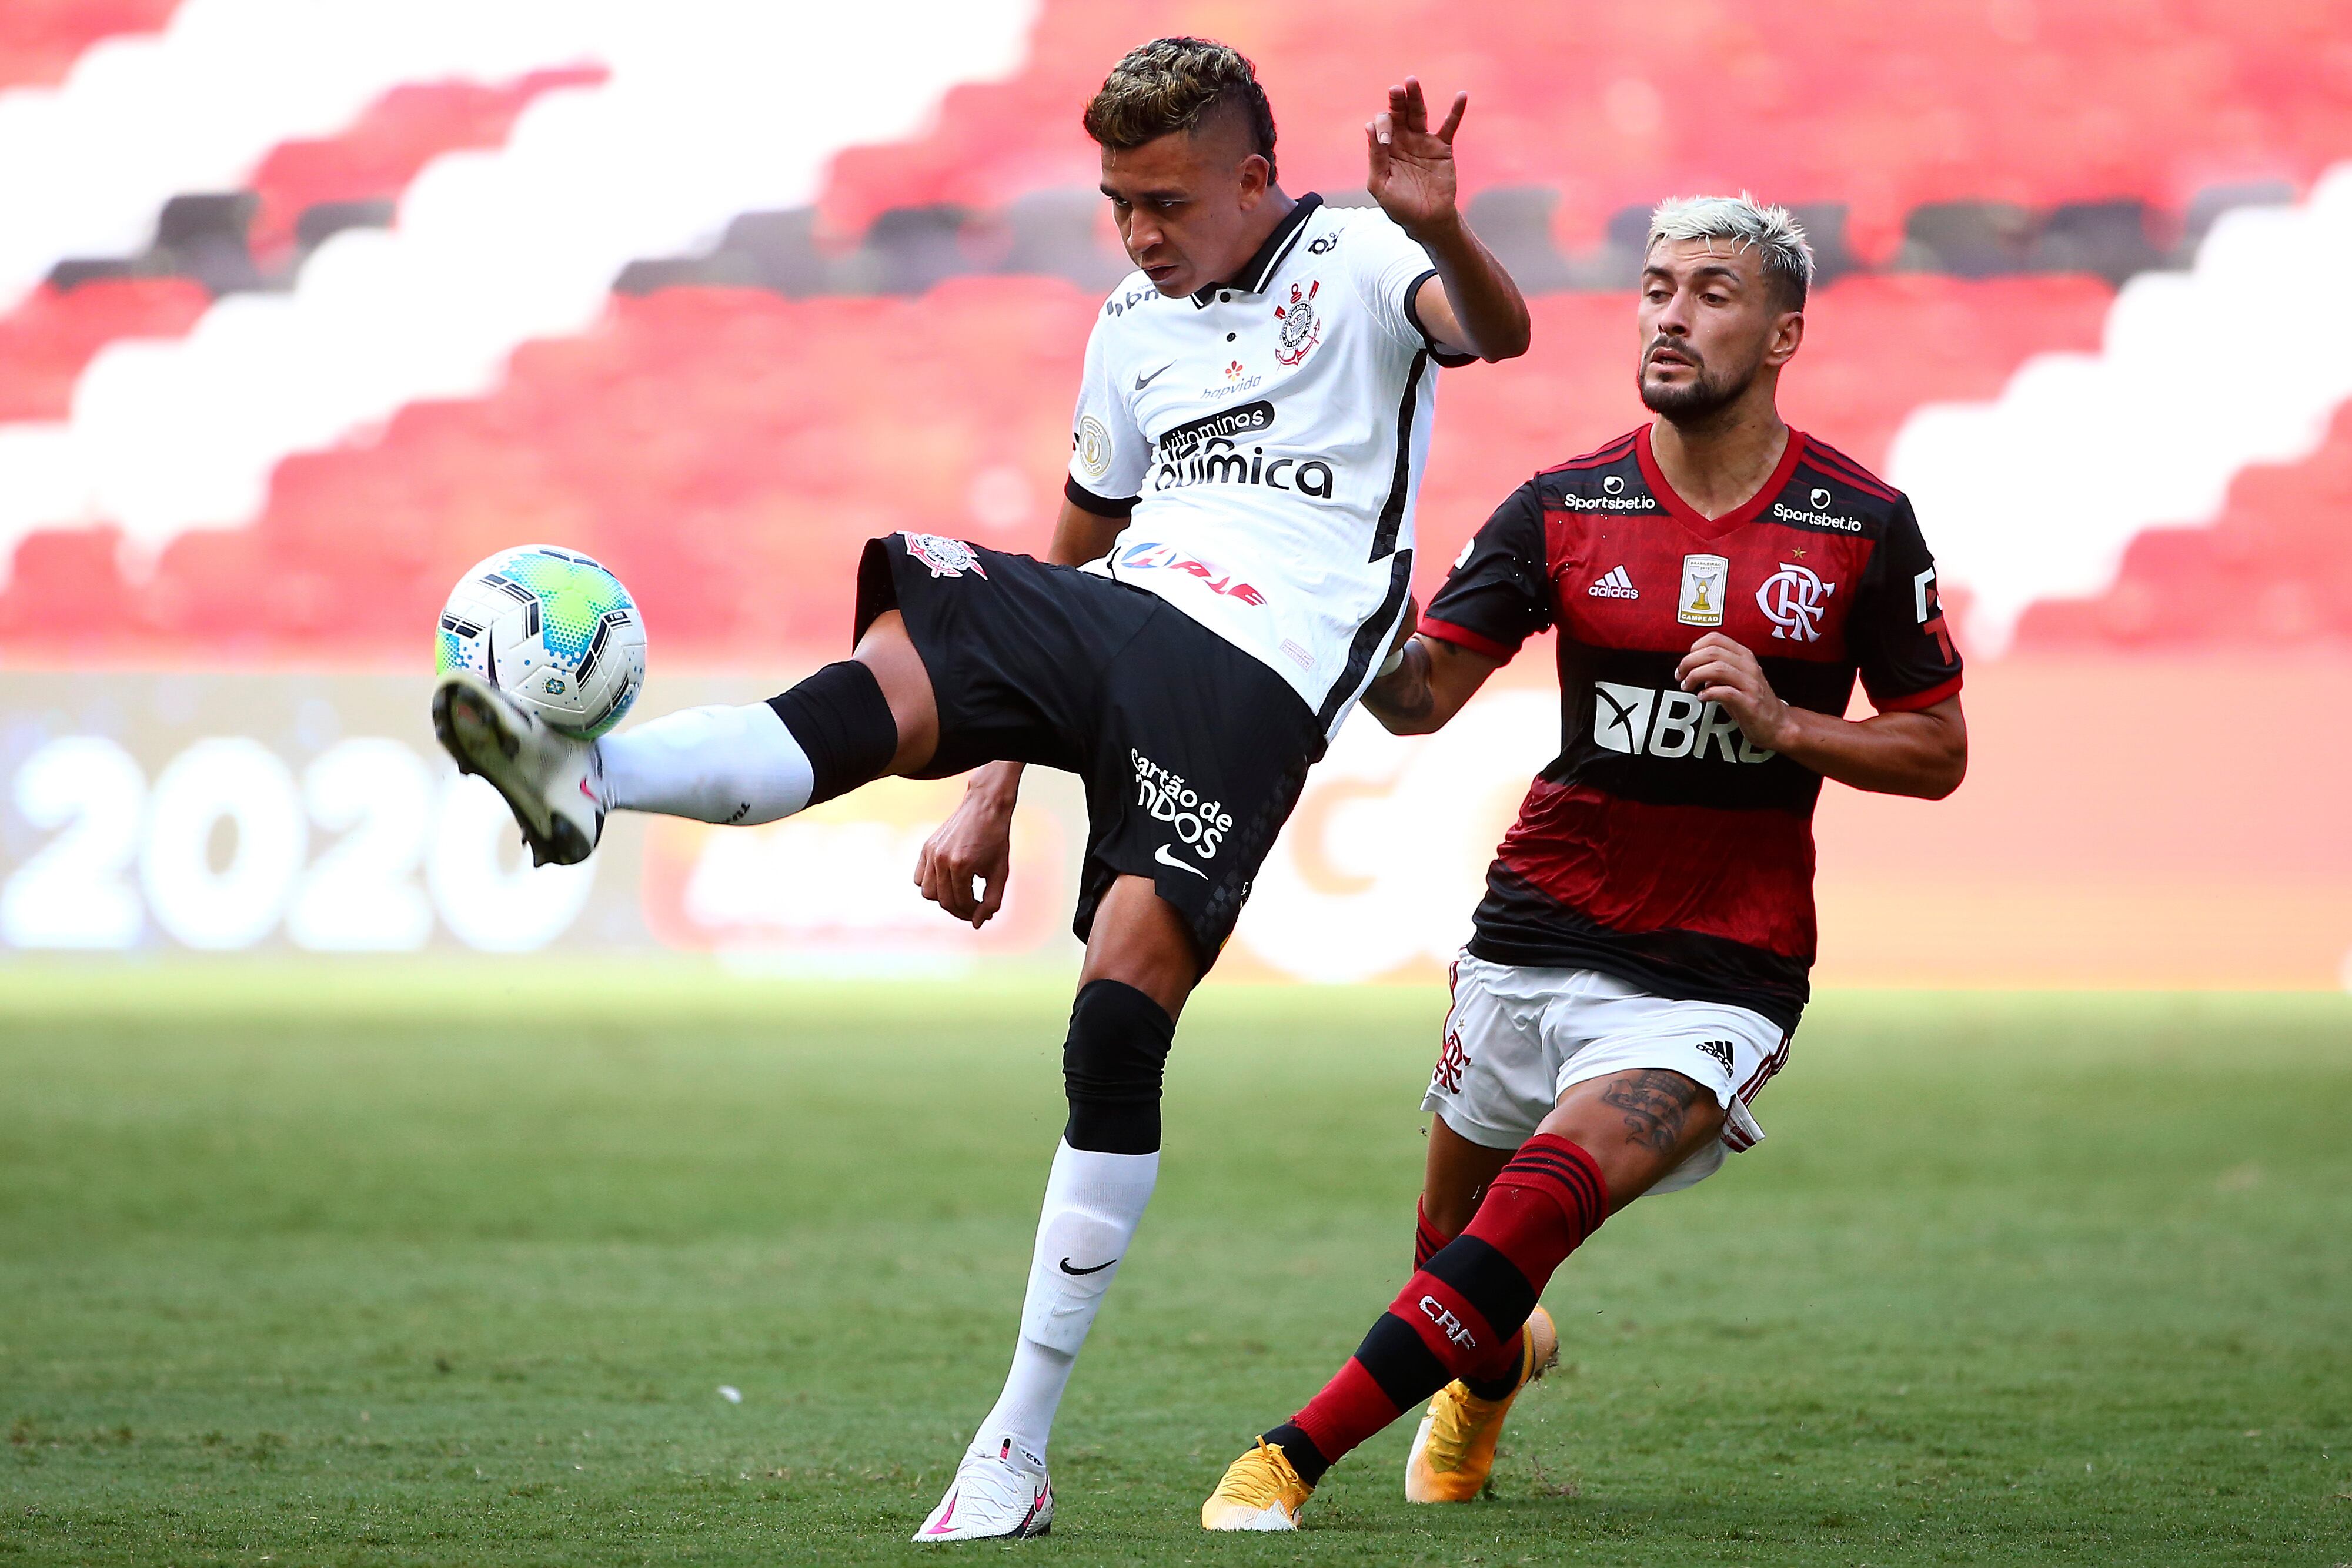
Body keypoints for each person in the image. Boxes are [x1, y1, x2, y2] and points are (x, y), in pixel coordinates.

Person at [429, 37, 1530, 1543]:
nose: (1139, 231)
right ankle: (588, 773)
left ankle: (1013, 1445)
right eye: (1115, 200)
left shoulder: (1356, 252)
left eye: (1164, 198)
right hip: (1113, 615)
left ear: (1254, 177)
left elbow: (1496, 331)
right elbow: (1076, 547)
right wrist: (992, 785)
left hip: (1251, 677)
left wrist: (1442, 221)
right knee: (911, 640)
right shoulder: (1130, 322)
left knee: (1114, 1015)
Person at [1199, 193, 1969, 1531]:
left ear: (1784, 331)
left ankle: (1283, 1454)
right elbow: (1420, 696)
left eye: (1710, 292)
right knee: (1458, 1258)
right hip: (1536, 925)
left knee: (1548, 1193)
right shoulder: (1563, 504)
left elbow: (1937, 746)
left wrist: (1788, 724)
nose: (1670, 313)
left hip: (1719, 962)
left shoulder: (1858, 523)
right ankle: (1487, 1379)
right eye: (1655, 285)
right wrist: (1324, 600)